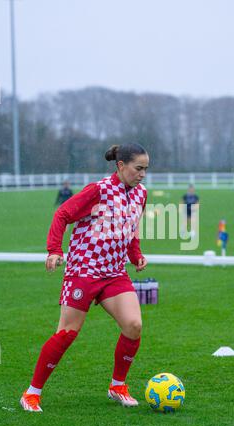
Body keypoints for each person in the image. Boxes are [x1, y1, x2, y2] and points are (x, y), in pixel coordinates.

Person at [20, 143, 149, 412]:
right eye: (138, 168)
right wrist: (54, 250)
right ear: (121, 165)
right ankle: (32, 393)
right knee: (67, 333)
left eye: (146, 169)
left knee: (134, 325)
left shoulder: (141, 194)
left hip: (114, 273)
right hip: (84, 271)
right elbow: (63, 214)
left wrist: (135, 256)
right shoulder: (98, 190)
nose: (142, 174)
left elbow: (131, 228)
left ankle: (118, 386)